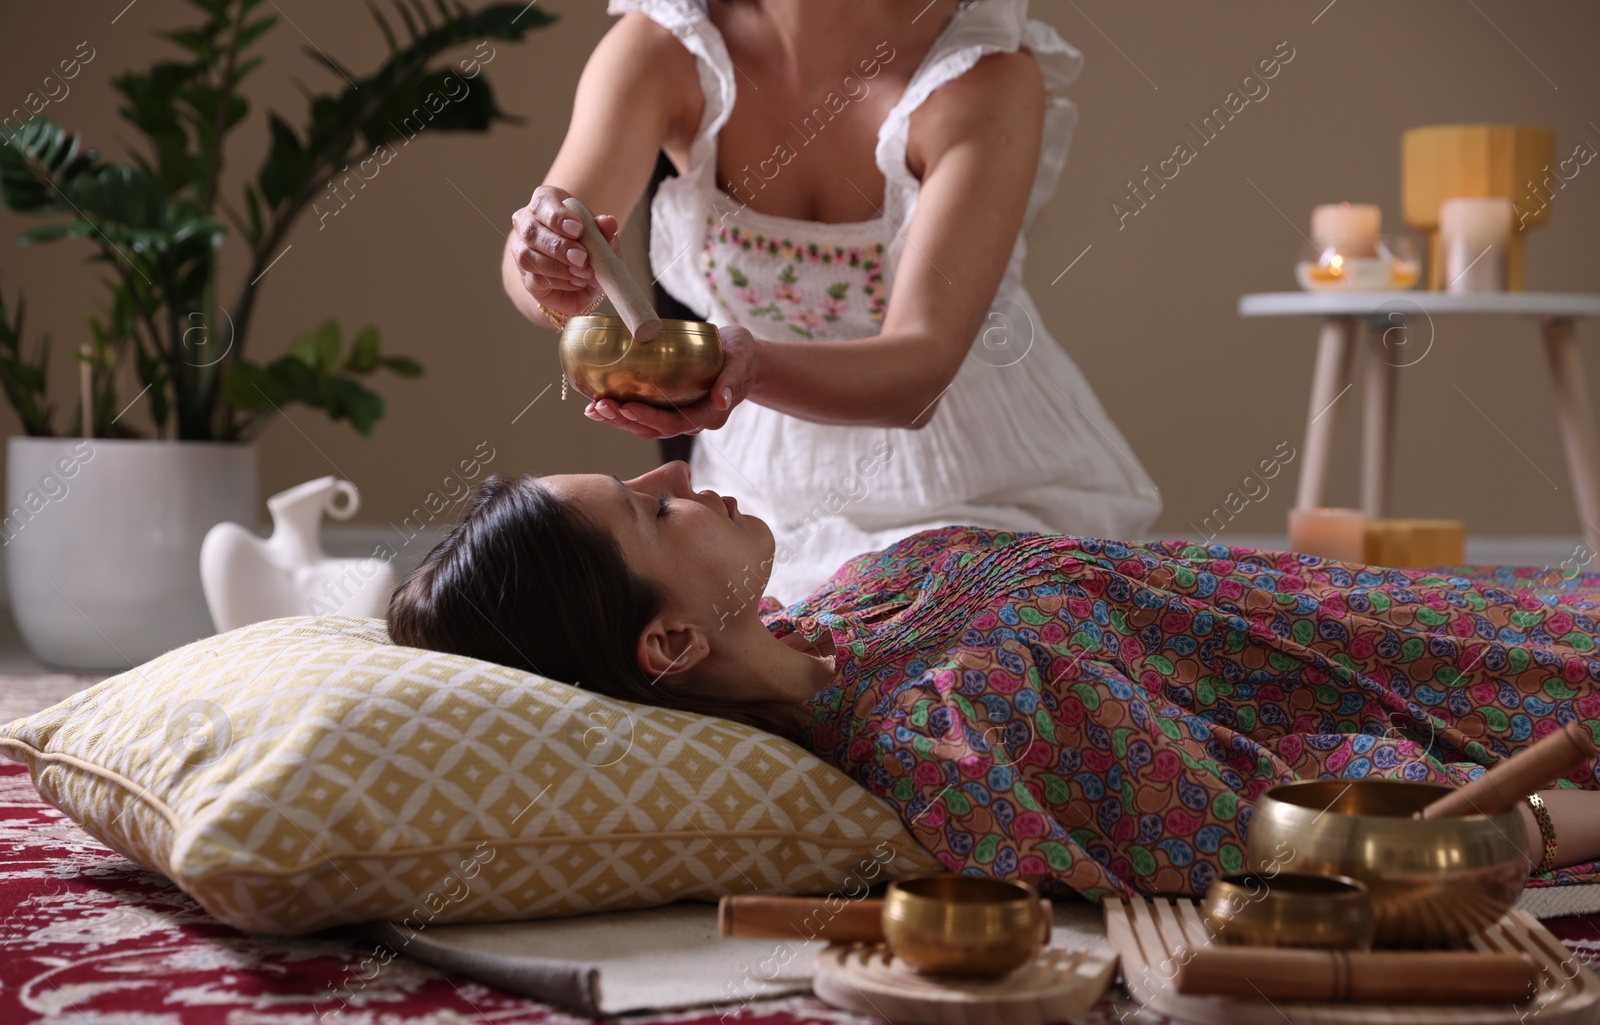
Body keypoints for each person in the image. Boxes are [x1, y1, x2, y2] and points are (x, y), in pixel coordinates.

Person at [388, 461, 1600, 902]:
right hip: (1493, 693)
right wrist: (1554, 817)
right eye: (655, 511)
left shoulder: (848, 603)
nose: (683, 479)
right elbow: (1283, 824)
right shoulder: (947, 734)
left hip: (1452, 607)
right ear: (666, 646)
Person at [500, 0, 1161, 603]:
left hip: (972, 483)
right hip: (753, 490)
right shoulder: (662, 48)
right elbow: (546, 268)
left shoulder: (981, 71)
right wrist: (547, 269)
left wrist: (745, 369)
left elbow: (918, 376)